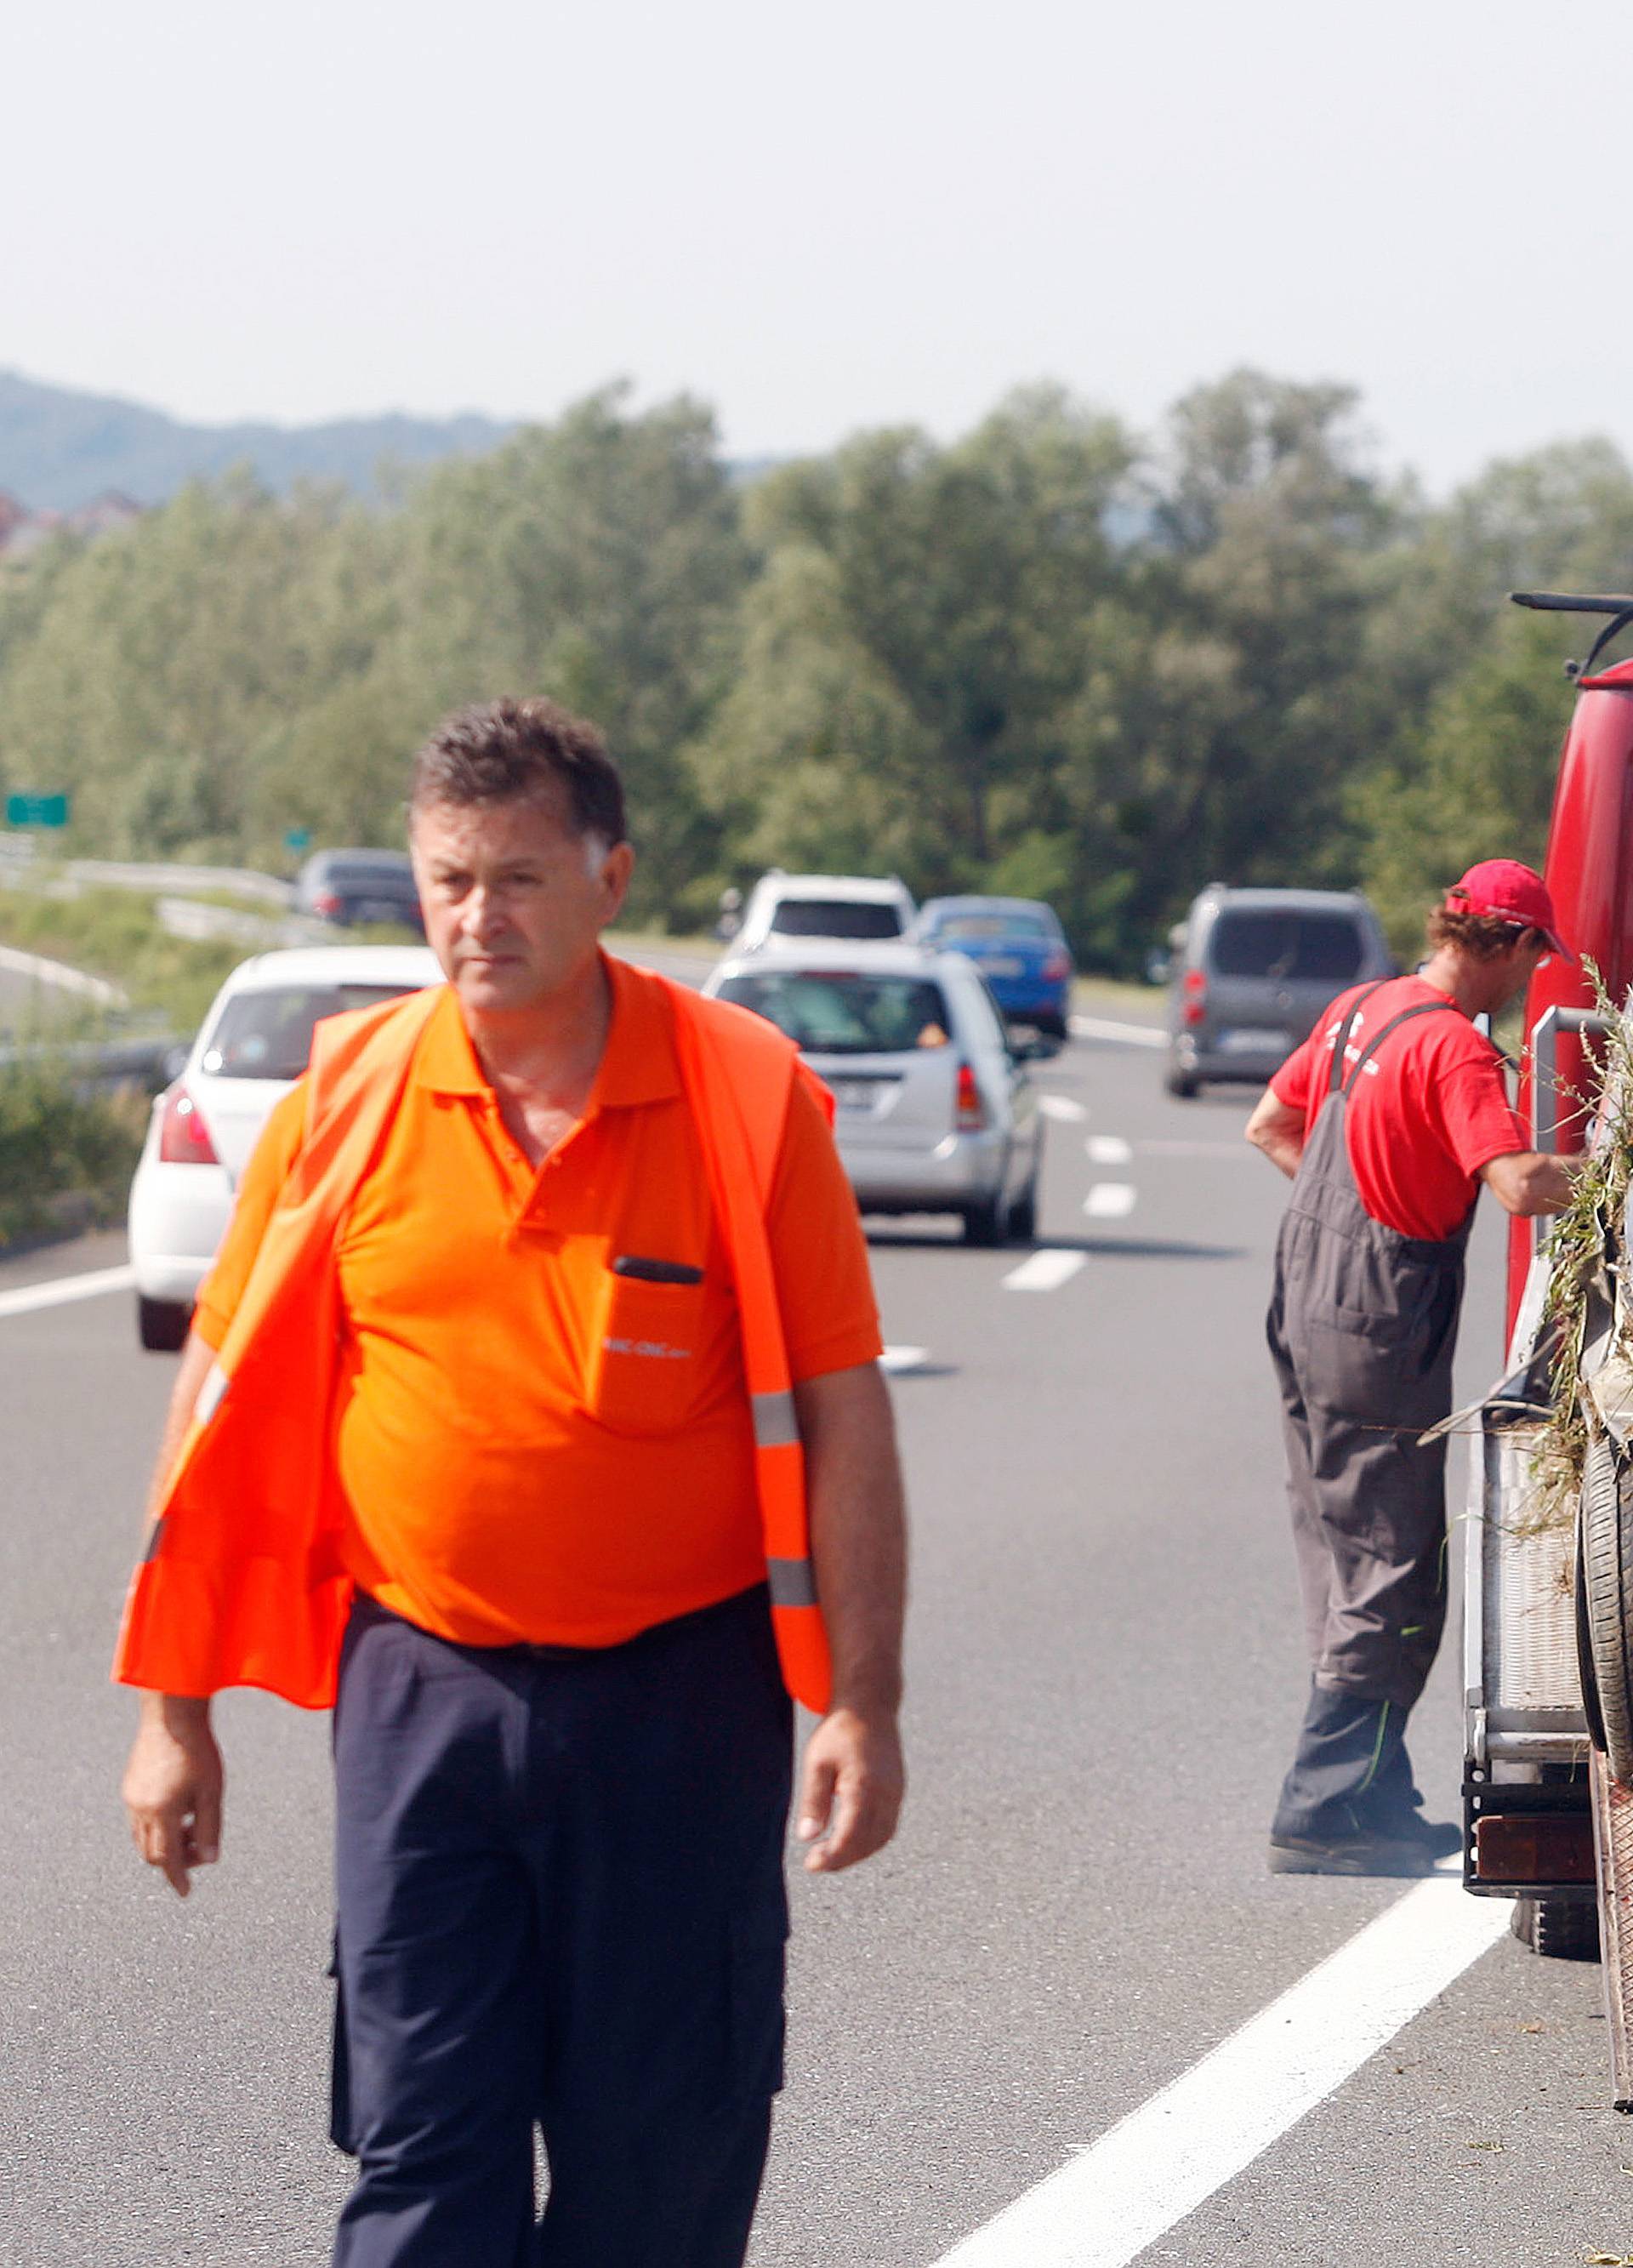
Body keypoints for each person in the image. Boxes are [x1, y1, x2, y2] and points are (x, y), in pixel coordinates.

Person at [117, 696, 908, 2266]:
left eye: (521, 879)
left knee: (659, 2171)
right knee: (423, 2150)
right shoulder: (347, 1097)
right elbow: (212, 1405)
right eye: (450, 880)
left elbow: (845, 1420)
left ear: (613, 879)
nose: (480, 918)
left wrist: (863, 1702)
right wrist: (170, 1712)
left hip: (685, 1697)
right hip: (419, 1687)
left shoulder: (747, 1099)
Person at [1245, 859, 1575, 1878]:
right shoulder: (1458, 1053)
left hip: (1306, 1290)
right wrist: (1609, 1169)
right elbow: (1518, 1185)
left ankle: (1380, 1791)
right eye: (1536, 959)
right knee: (1398, 1556)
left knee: (1342, 1544)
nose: (1534, 980)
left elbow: (1271, 1122)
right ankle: (1323, 1800)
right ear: (1514, 946)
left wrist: (1349, 1221)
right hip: (1379, 1314)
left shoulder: (1363, 1008)